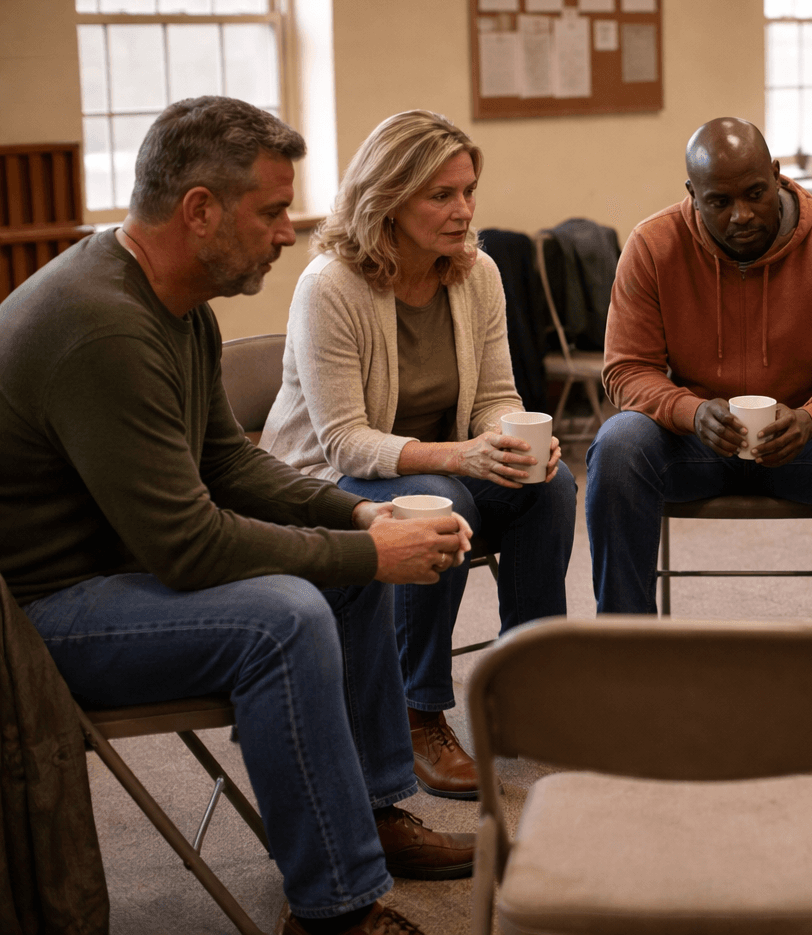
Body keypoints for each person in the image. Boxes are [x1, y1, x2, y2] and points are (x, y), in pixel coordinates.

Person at [0, 96, 476, 935]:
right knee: (282, 616)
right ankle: (336, 909)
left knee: (334, 571)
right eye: (271, 210)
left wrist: (357, 524)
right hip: (37, 618)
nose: (289, 230)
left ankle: (368, 814)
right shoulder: (102, 327)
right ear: (199, 211)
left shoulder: (168, 301)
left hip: (112, 569)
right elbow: (187, 546)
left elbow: (227, 461)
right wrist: (371, 557)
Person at [262, 110, 576, 800]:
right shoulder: (330, 285)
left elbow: (495, 393)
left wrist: (516, 438)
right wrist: (463, 457)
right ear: (388, 199)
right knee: (446, 498)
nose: (463, 210)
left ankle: (525, 689)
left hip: (444, 462)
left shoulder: (477, 273)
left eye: (468, 191)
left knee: (549, 486)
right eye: (442, 195)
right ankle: (417, 712)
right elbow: (346, 439)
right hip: (332, 481)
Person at [584, 117, 812, 645]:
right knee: (618, 443)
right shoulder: (653, 245)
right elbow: (625, 370)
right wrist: (689, 411)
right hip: (695, 444)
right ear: (693, 196)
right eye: (719, 202)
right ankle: (628, 649)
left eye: (756, 193)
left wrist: (811, 418)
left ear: (777, 175)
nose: (742, 215)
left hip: (803, 443)